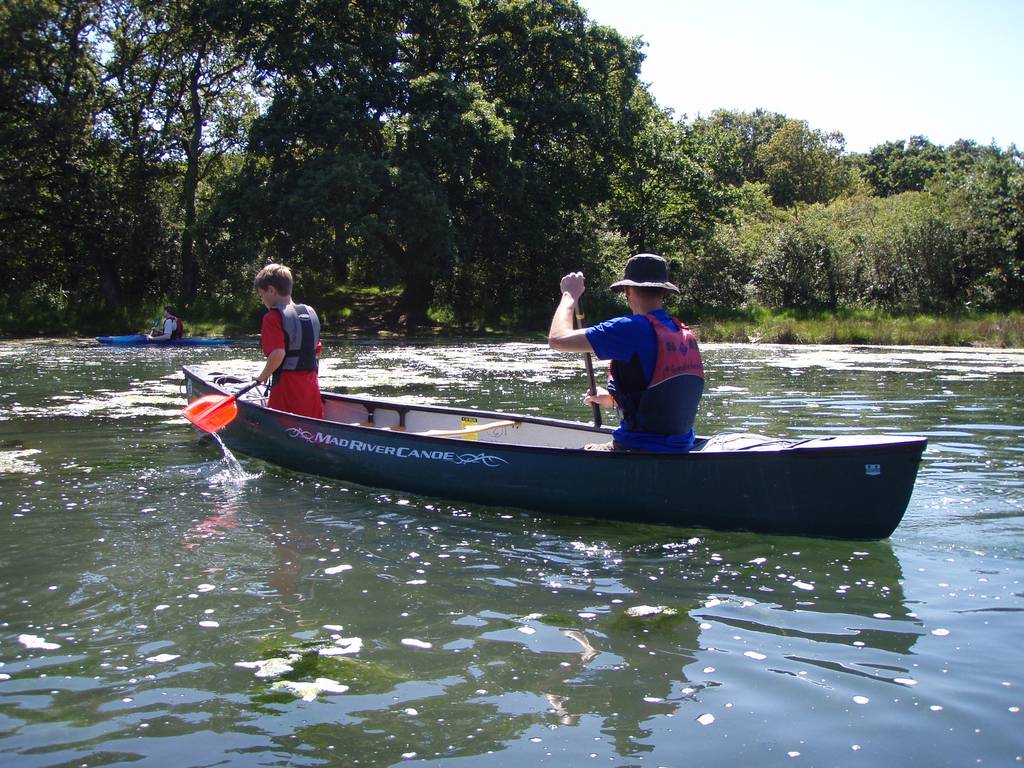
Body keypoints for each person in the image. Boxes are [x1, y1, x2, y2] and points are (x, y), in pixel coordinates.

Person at [548, 253, 704, 452]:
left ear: (628, 291)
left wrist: (569, 294)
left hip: (638, 450)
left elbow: (557, 340)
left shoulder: (630, 329)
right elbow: (662, 395)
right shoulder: (682, 331)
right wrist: (612, 400)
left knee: (578, 456)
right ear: (663, 292)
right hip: (680, 448)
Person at [253, 263, 324, 419]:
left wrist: (262, 376)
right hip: (311, 386)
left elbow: (278, 353)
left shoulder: (272, 318)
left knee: (282, 426)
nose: (262, 300)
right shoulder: (310, 313)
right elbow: (317, 350)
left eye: (261, 294)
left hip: (286, 386)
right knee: (311, 427)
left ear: (271, 290)